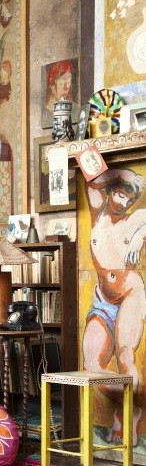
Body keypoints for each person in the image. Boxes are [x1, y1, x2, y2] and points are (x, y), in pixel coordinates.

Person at [82, 168, 146, 445]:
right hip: (102, 300)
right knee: (91, 365)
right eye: (120, 195)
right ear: (112, 191)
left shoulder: (137, 219)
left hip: (130, 293)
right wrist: (121, 175)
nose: (123, 203)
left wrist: (139, 237)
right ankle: (129, 404)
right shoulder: (98, 213)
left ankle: (128, 416)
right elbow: (92, 183)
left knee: (125, 356)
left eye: (129, 200)